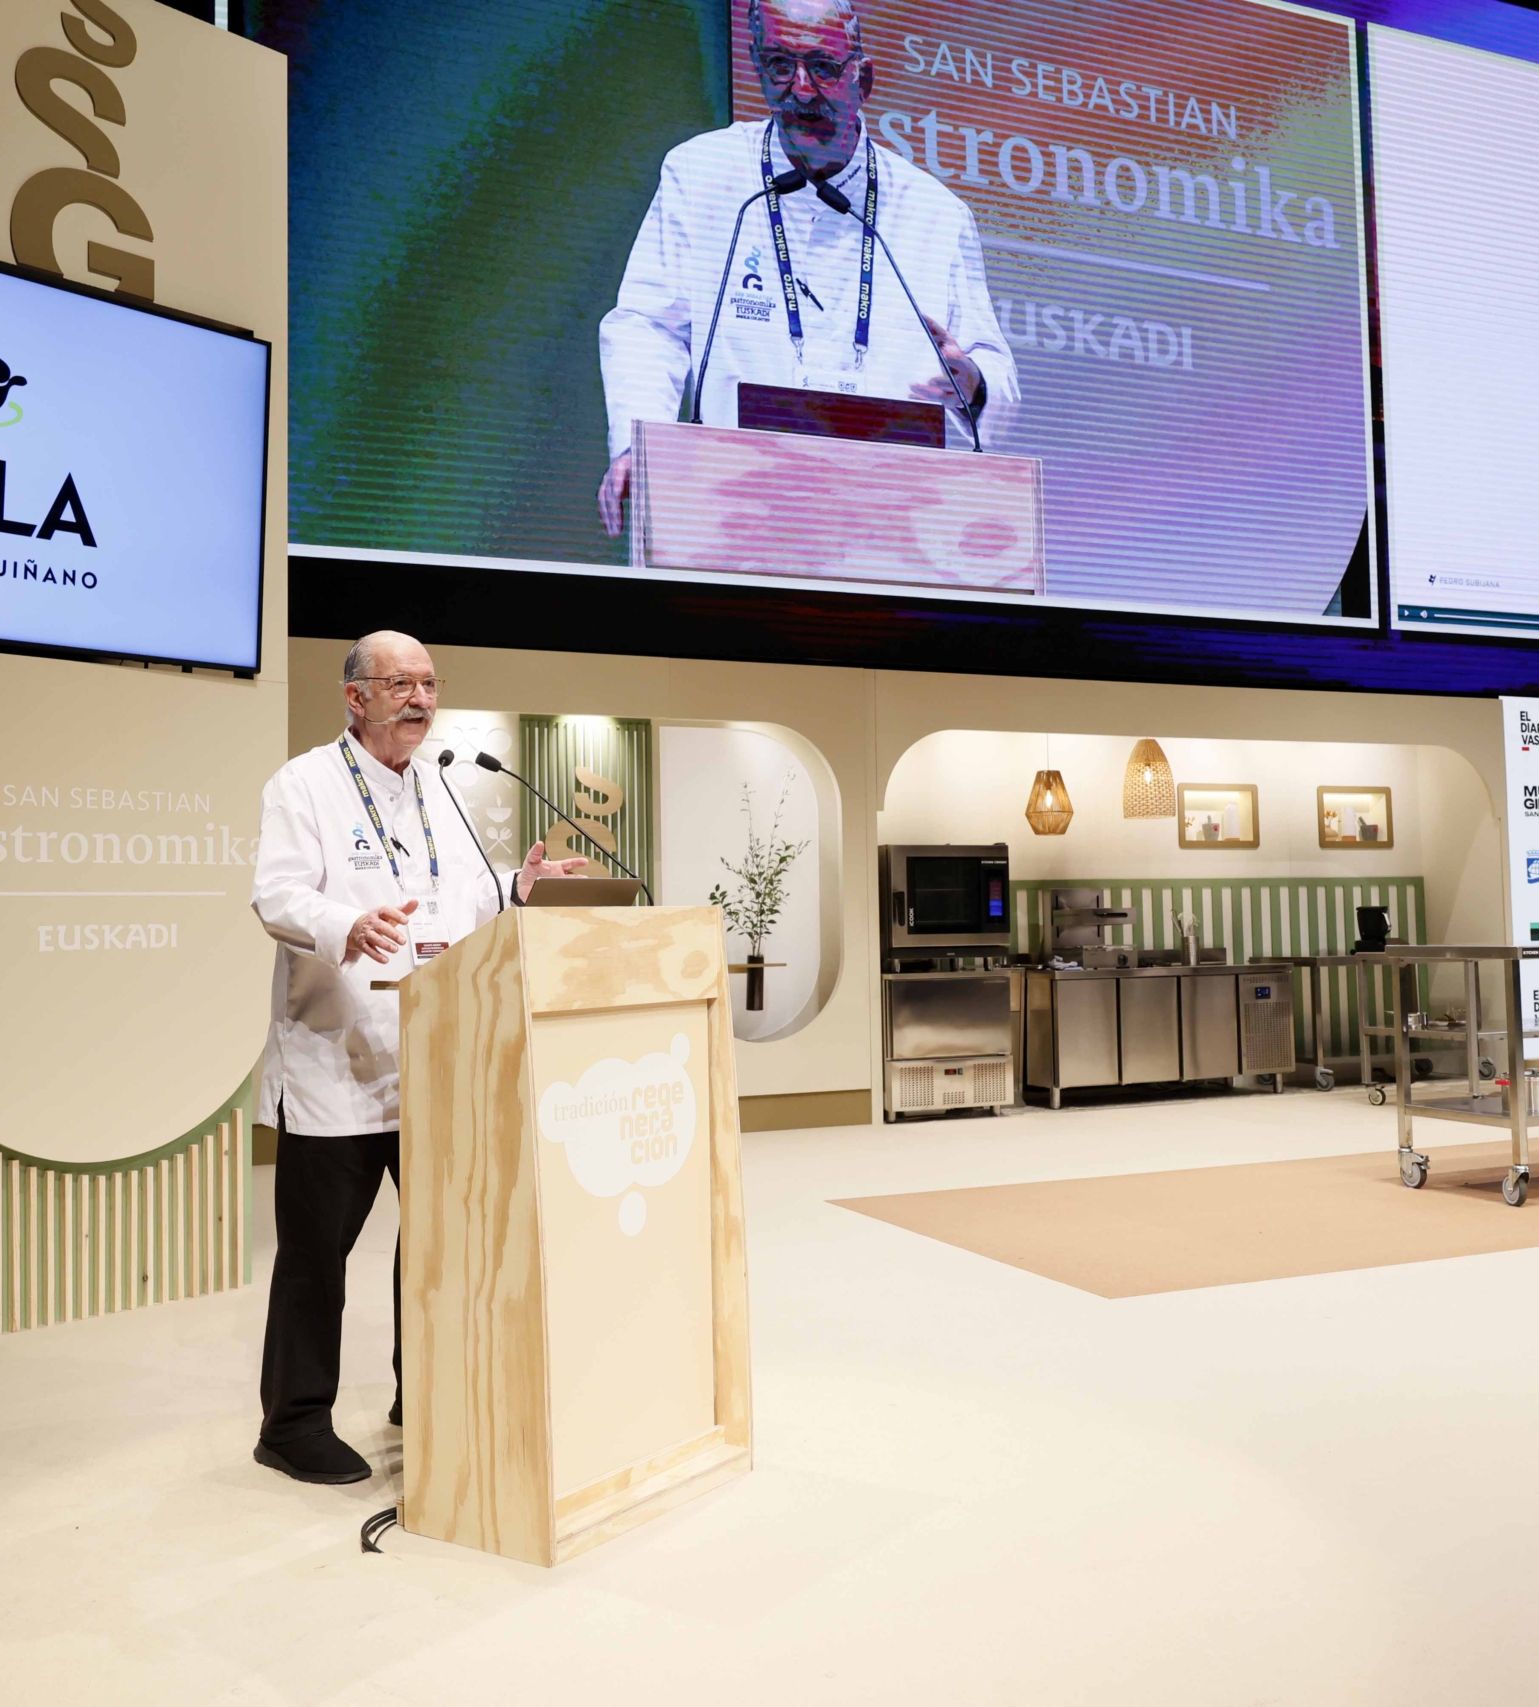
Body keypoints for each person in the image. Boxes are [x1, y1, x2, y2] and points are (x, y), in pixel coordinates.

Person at [248, 631, 587, 1484]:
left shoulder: (440, 788)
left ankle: (423, 1386)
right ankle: (291, 1422)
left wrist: (519, 887)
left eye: (430, 683)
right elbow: (278, 893)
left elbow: (461, 894)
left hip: (436, 1059)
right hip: (338, 1064)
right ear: (354, 696)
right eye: (402, 682)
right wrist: (344, 926)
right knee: (316, 1259)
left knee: (436, 1243)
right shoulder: (305, 784)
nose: (422, 698)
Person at [595, 0, 1018, 535]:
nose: (799, 89)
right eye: (778, 65)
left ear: (863, 79)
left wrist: (973, 382)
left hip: (892, 521)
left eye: (821, 67)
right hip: (733, 511)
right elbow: (648, 326)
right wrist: (640, 443)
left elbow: (994, 376)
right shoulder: (703, 172)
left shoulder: (934, 213)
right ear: (756, 65)